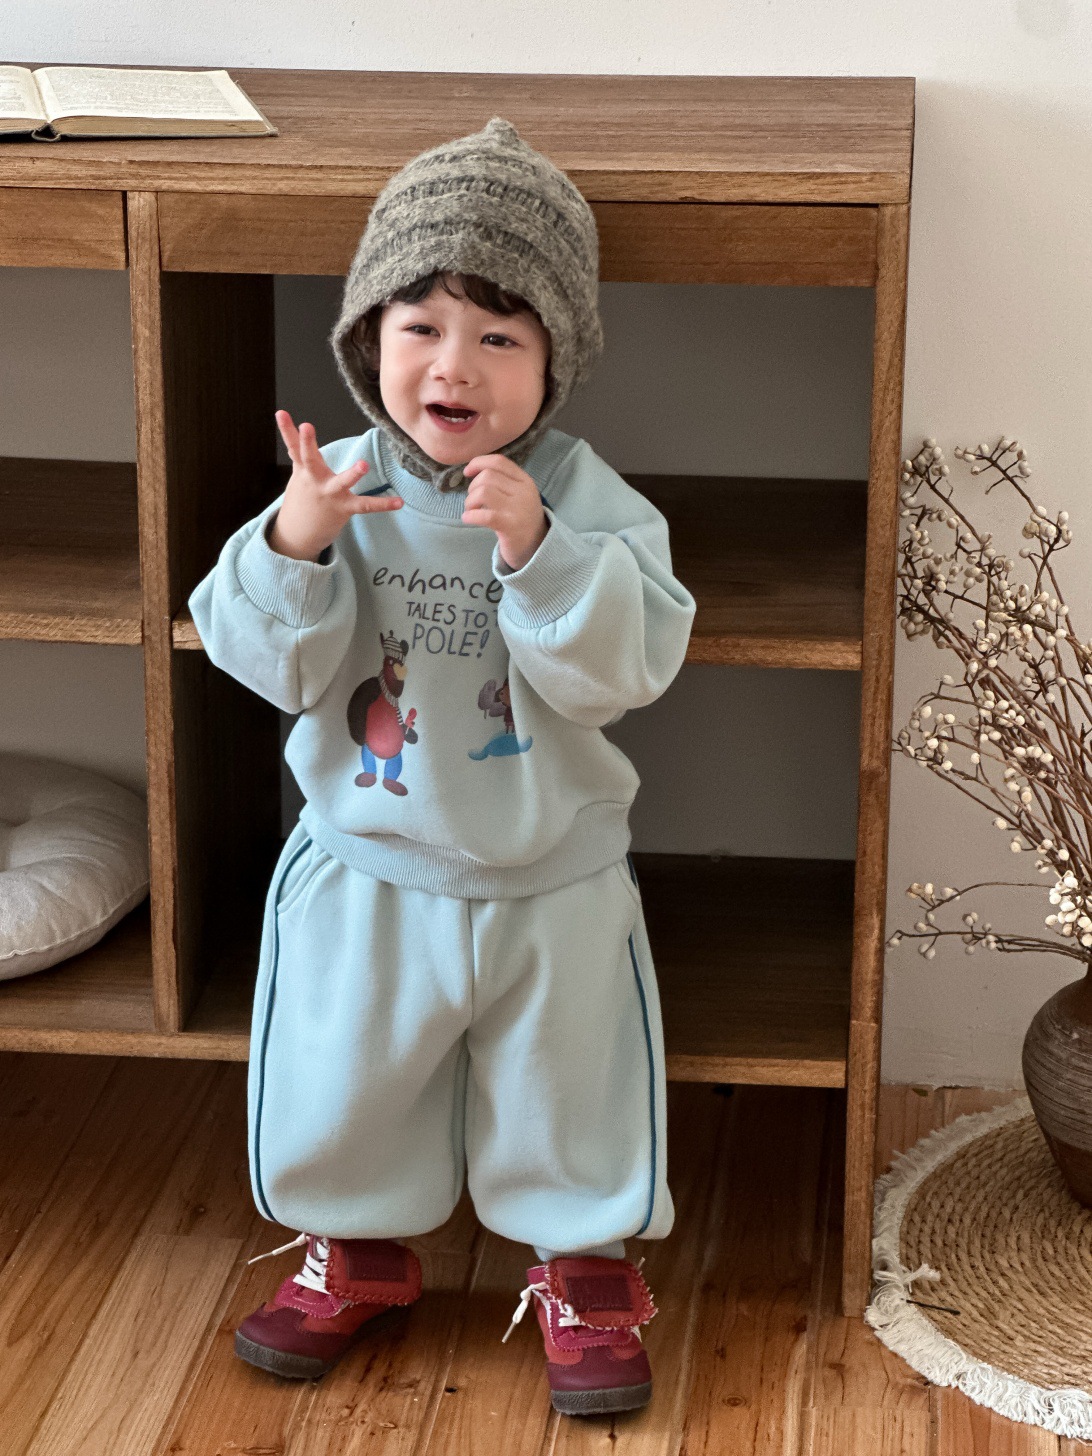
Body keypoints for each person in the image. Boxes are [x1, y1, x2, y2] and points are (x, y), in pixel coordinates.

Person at [188, 115, 696, 1417]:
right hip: (371, 866)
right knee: (343, 1078)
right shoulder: (337, 486)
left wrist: (540, 553)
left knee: (569, 1084)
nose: (454, 363)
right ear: (369, 340)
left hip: (552, 873)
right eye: (421, 325)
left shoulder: (581, 496)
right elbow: (259, 656)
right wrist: (296, 541)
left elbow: (627, 667)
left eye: (501, 336)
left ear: (556, 360)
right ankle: (354, 1248)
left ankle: (584, 1265)